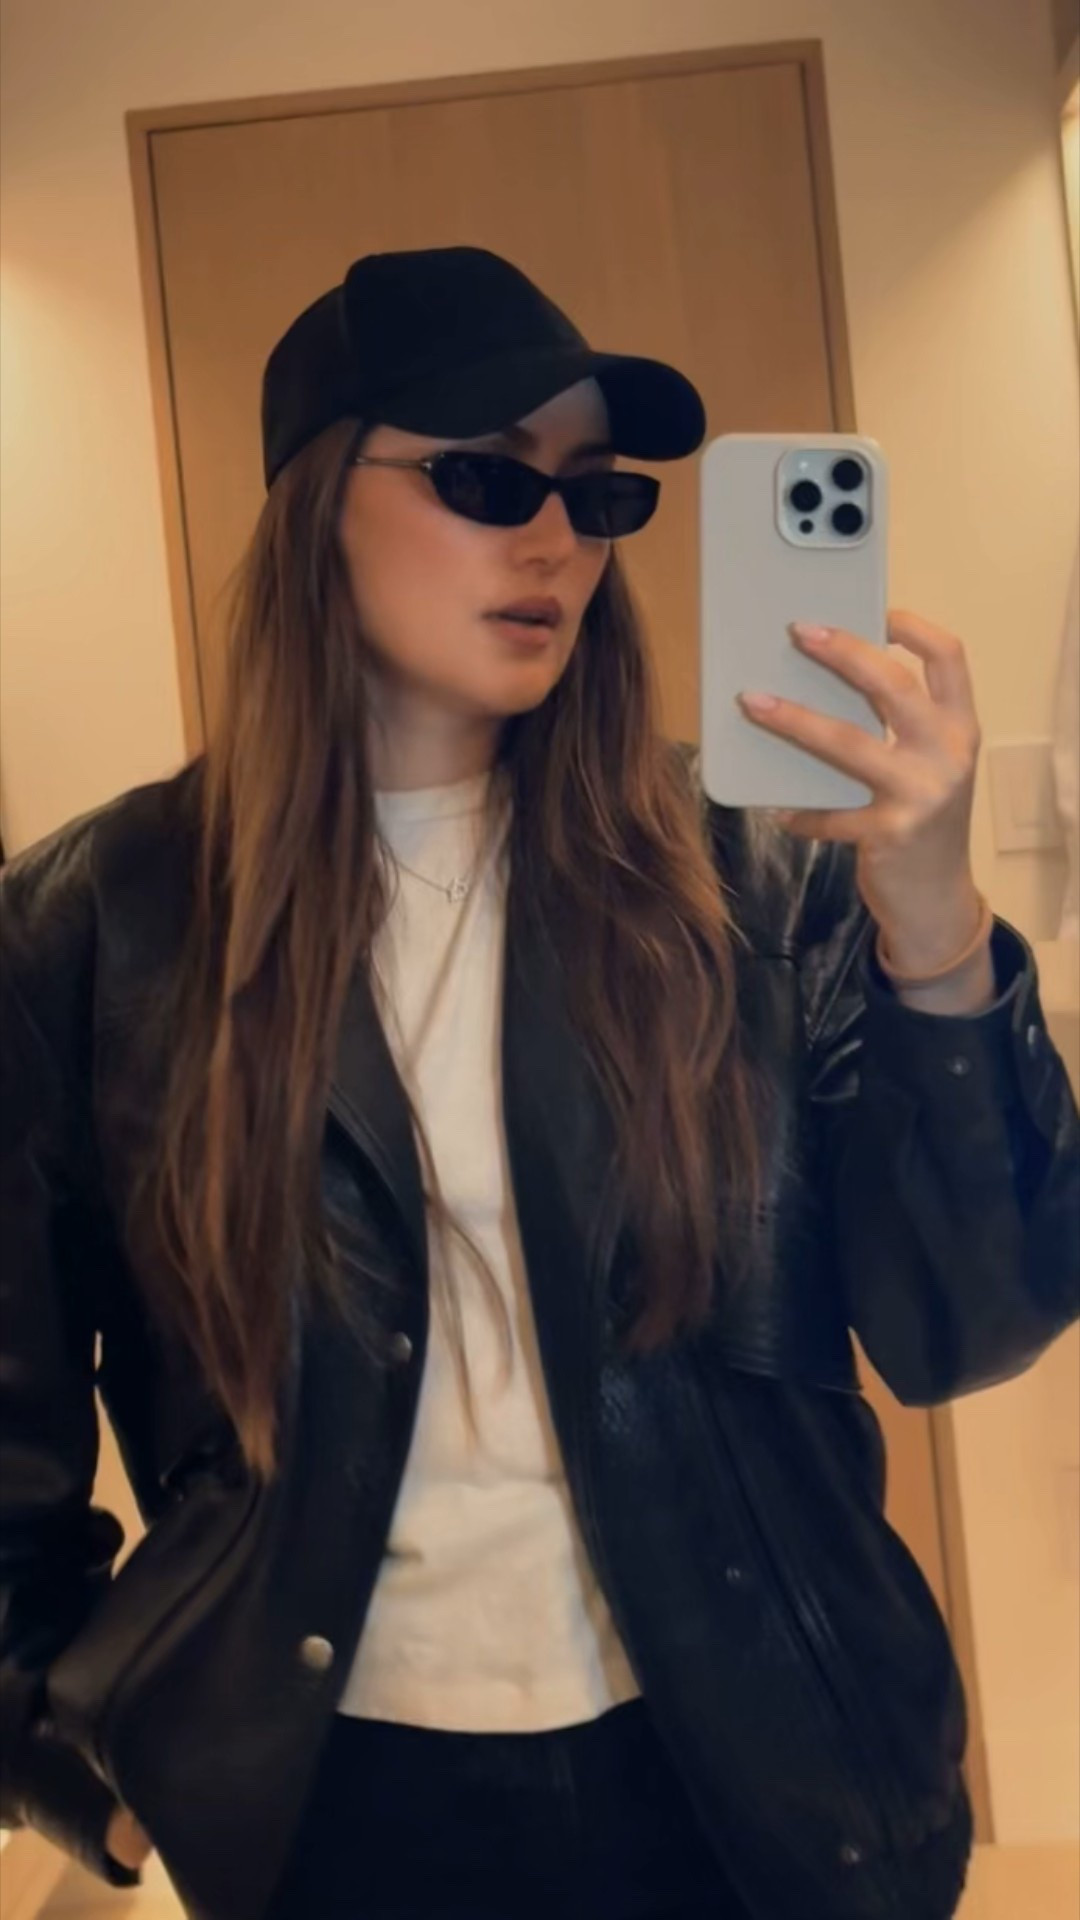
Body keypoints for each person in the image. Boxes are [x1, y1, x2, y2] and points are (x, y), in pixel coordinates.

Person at [0, 245, 1077, 1920]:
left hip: (746, 1781)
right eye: (488, 478)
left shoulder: (749, 880)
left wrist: (936, 934)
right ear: (315, 504)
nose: (558, 540)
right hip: (337, 1807)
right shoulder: (101, 924)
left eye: (597, 494)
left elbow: (970, 1326)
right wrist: (77, 1768)